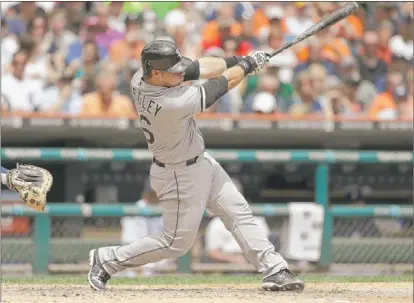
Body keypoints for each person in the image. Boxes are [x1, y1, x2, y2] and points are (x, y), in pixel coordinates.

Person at [87, 40, 304, 292]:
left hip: (200, 162)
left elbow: (200, 67)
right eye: (174, 70)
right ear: (156, 73)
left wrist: (240, 60)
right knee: (175, 244)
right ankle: (106, 259)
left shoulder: (143, 76)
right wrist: (247, 66)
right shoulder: (171, 102)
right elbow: (222, 84)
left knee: (237, 211)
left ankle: (275, 269)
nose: (180, 73)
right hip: (178, 174)